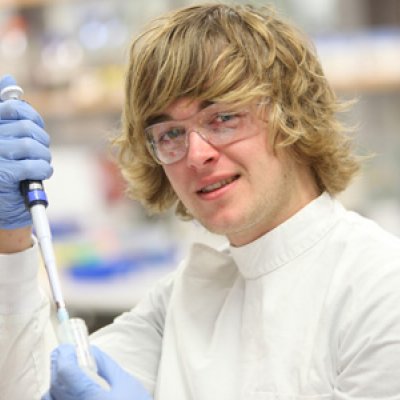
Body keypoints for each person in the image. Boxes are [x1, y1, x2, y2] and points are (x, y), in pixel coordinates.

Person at [0, 2, 400, 399]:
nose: (196, 154)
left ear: (292, 116)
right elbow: (37, 393)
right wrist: (11, 237)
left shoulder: (380, 290)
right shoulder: (182, 301)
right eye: (171, 134)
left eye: (223, 118)